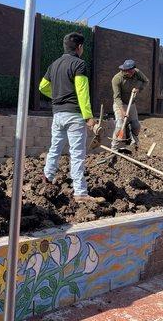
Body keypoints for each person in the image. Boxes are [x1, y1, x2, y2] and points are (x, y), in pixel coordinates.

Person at [39, 32, 103, 203]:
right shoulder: (79, 64)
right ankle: (80, 192)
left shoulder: (54, 65)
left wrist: (57, 97)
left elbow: (42, 86)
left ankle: (47, 176)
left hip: (58, 114)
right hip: (74, 115)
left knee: (55, 148)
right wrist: (88, 117)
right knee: (77, 153)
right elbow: (82, 92)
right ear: (79, 47)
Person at [111, 59, 149, 151]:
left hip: (131, 103)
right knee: (120, 125)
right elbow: (117, 97)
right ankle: (114, 148)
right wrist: (123, 111)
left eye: (133, 71)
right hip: (119, 104)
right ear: (125, 70)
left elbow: (146, 81)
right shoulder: (117, 79)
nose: (132, 73)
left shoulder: (137, 72)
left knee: (136, 126)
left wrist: (138, 89)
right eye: (130, 72)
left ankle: (134, 144)